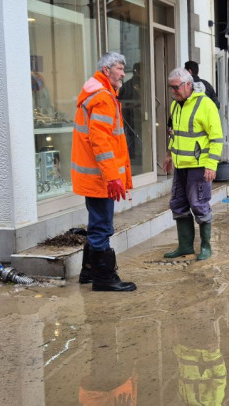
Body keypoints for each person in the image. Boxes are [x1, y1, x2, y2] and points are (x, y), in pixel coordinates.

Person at [71, 51, 136, 292]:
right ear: (106, 70)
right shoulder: (102, 97)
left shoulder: (100, 94)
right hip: (101, 178)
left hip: (96, 175)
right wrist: (112, 178)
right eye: (119, 68)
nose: (123, 72)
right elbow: (101, 142)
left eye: (123, 68)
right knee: (102, 226)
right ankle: (104, 278)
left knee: (96, 222)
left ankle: (89, 272)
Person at [162, 68, 224, 261]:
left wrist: (211, 165)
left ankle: (206, 246)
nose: (173, 92)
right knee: (178, 204)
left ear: (188, 84)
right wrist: (169, 154)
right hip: (181, 166)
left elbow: (216, 138)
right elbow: (176, 134)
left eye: (176, 87)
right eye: (171, 88)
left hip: (199, 166)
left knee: (199, 204)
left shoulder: (205, 105)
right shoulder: (175, 105)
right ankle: (185, 246)